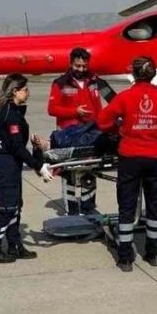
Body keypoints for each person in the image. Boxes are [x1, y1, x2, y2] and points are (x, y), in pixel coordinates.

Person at [97, 56, 157, 272]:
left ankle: (125, 257)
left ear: (133, 73)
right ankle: (153, 253)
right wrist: (153, 131)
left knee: (127, 206)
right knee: (155, 205)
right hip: (155, 158)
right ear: (153, 74)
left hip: (130, 157)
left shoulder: (124, 97)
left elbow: (103, 121)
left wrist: (121, 130)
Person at [0, 73, 55, 264]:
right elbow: (17, 147)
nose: (28, 93)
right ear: (15, 91)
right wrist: (39, 165)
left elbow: (16, 145)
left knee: (16, 207)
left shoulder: (12, 111)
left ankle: (15, 246)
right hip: (6, 164)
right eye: (25, 89)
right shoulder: (11, 115)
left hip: (10, 164)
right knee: (7, 210)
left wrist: (34, 148)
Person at [47, 47, 115, 216]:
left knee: (89, 171)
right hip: (69, 135)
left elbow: (103, 102)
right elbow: (52, 108)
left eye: (84, 66)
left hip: (91, 134)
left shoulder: (94, 80)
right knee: (69, 173)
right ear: (71, 64)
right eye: (78, 66)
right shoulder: (60, 83)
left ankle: (89, 207)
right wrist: (74, 112)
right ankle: (72, 211)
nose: (81, 69)